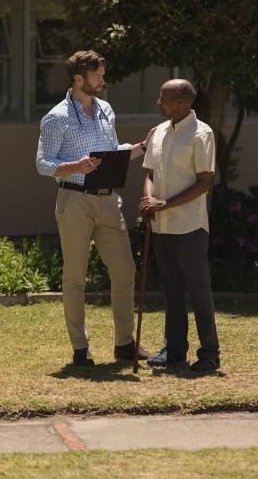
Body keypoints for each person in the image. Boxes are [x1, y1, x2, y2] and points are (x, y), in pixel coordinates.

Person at [36, 50, 153, 367]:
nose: (103, 80)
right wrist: (76, 165)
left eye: (102, 74)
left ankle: (125, 344)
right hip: (74, 199)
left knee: (125, 270)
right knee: (75, 277)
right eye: (97, 75)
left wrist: (142, 146)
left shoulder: (106, 111)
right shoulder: (57, 117)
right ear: (79, 78)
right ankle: (80, 349)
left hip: (108, 201)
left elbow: (113, 152)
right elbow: (43, 164)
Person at [139, 79, 221, 372]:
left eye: (164, 98)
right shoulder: (160, 132)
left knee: (198, 291)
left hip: (190, 228)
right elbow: (149, 173)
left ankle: (209, 353)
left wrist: (165, 204)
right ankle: (174, 351)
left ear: (184, 102)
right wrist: (149, 200)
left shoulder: (201, 134)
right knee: (172, 291)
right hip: (161, 227)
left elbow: (203, 183)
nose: (158, 103)